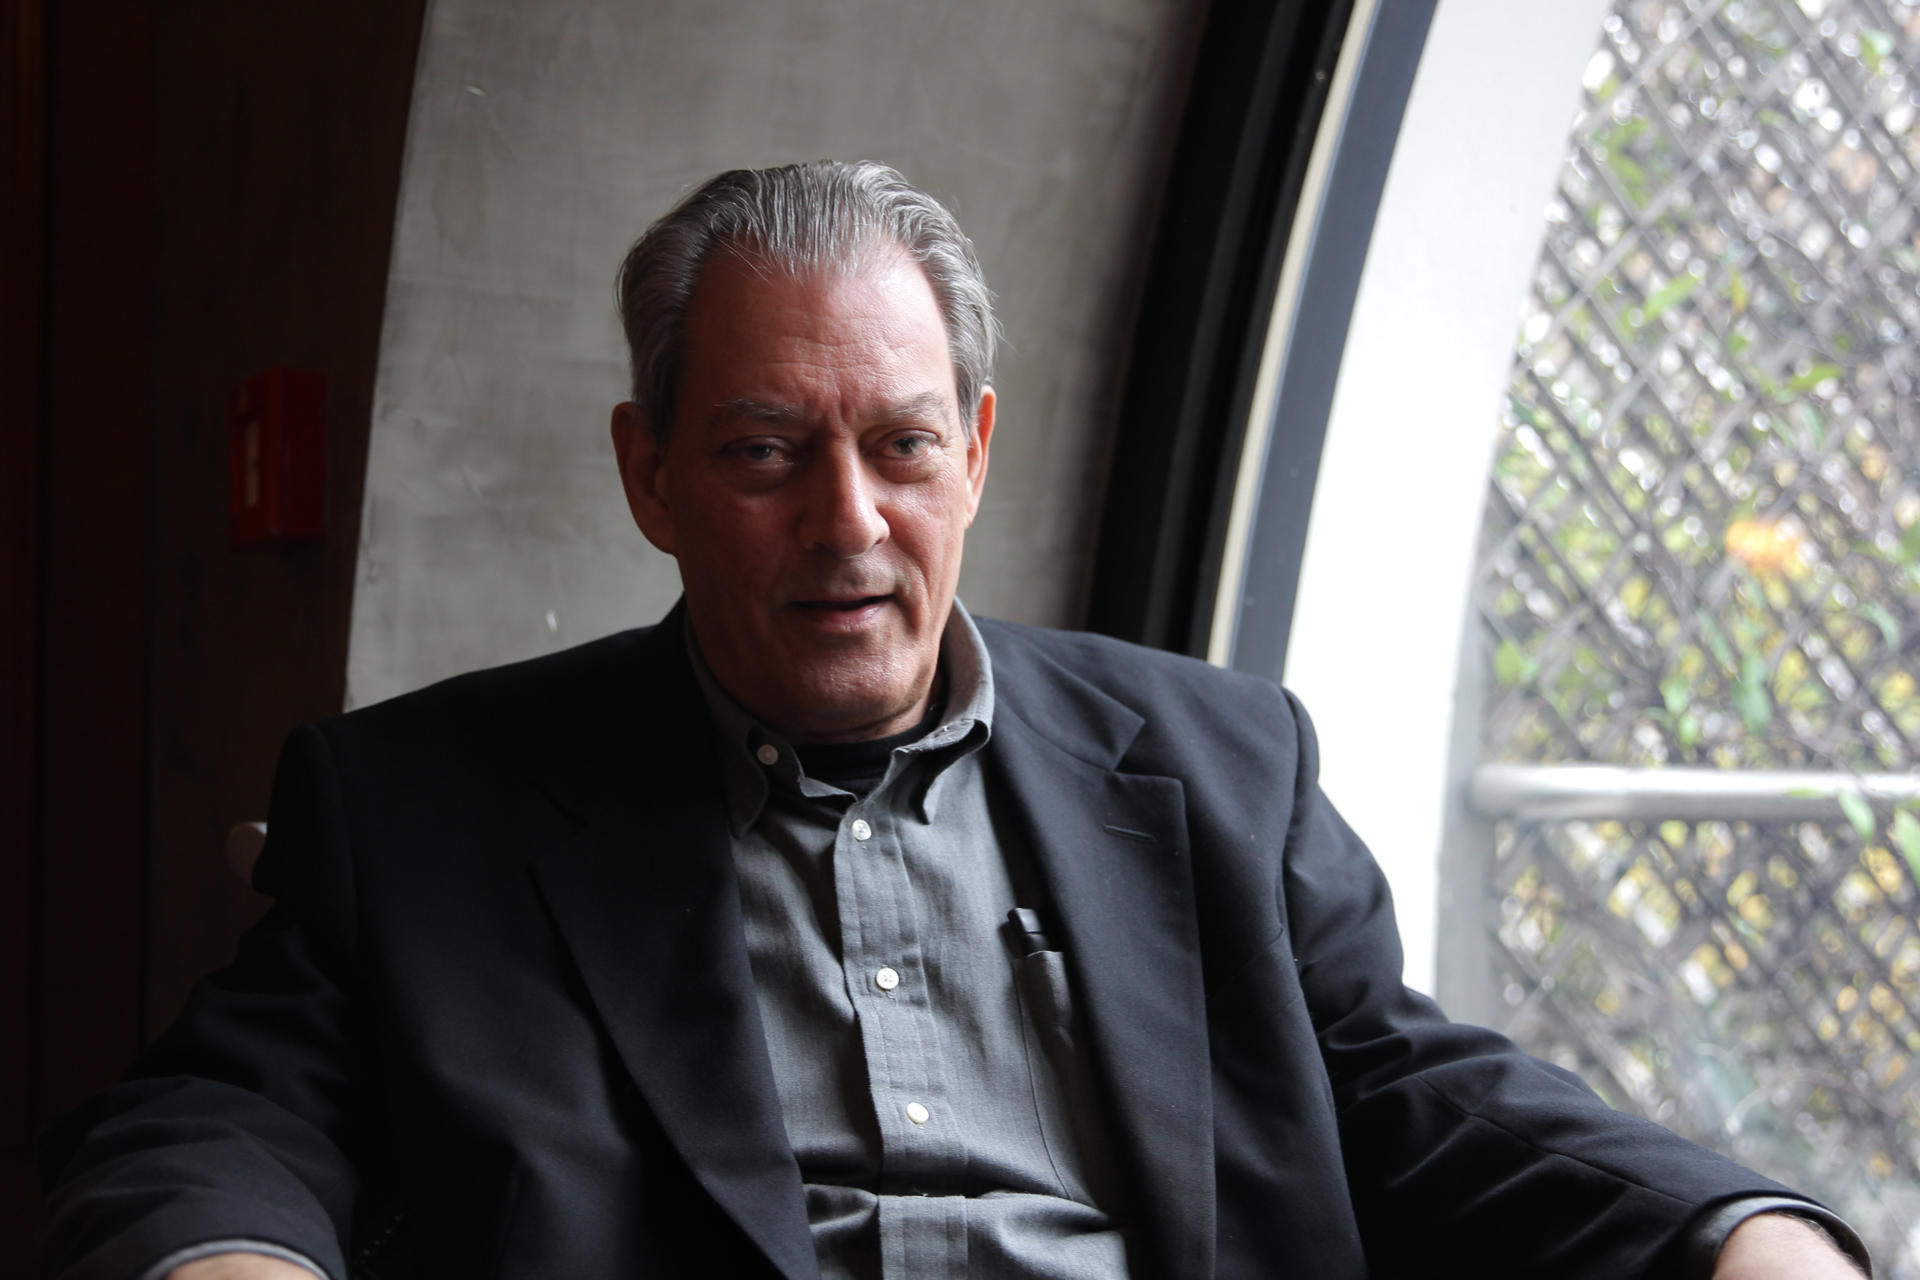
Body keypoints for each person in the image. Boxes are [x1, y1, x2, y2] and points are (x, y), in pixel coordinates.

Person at [39, 161, 1872, 1280]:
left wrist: (1736, 1234)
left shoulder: (1215, 765)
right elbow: (218, 1118)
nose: (848, 522)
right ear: (650, 474)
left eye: (903, 446)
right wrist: (227, 1260)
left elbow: (1407, 1089)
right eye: (765, 452)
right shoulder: (429, 805)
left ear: (976, 454)